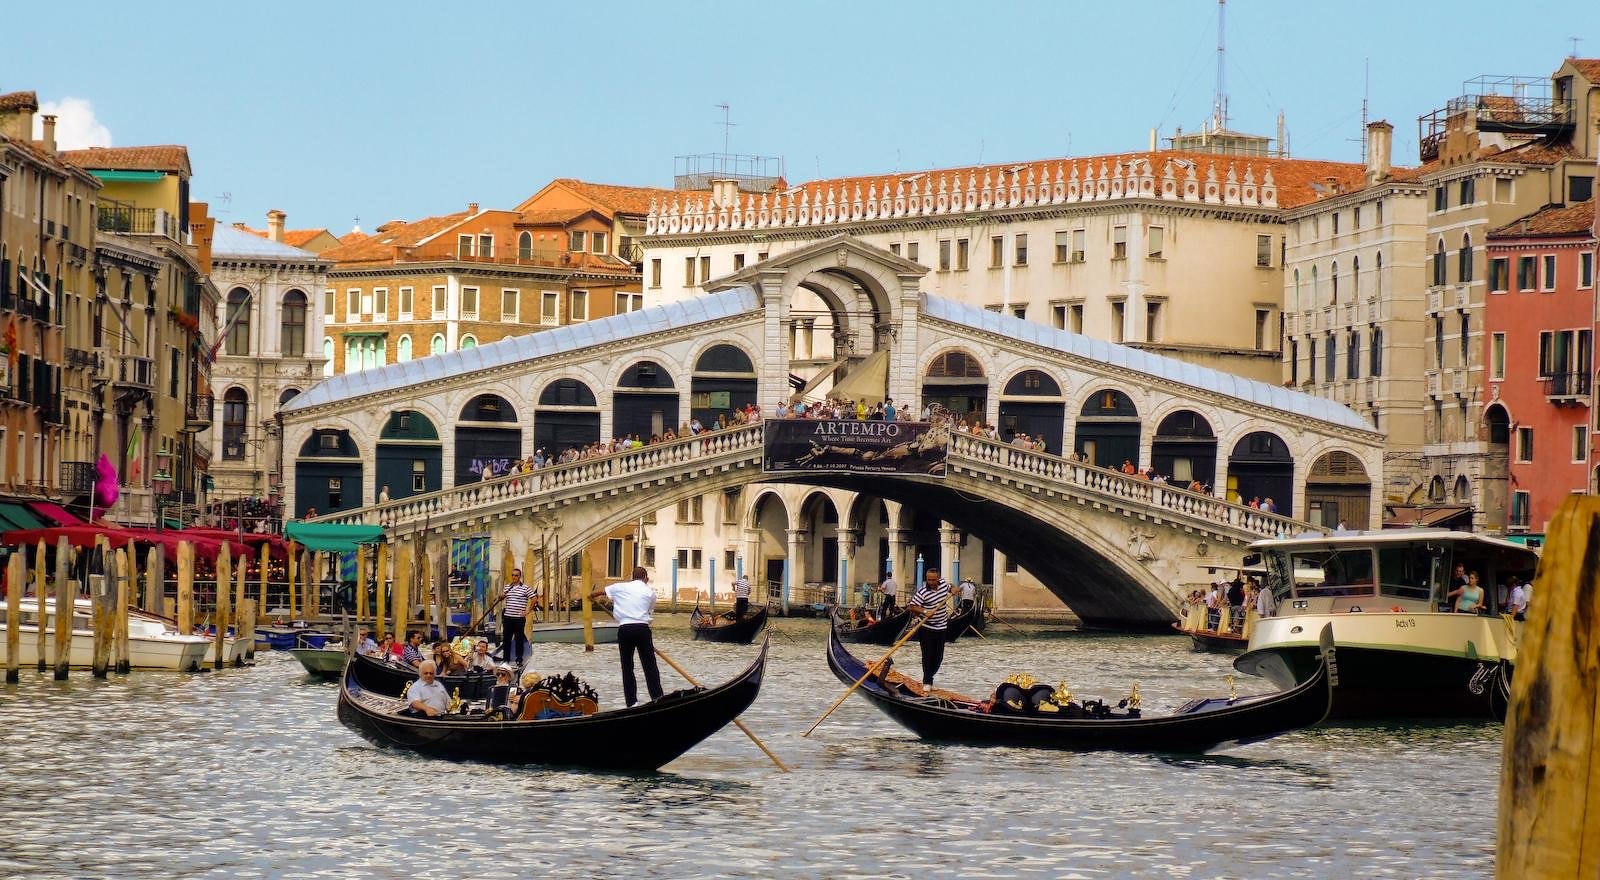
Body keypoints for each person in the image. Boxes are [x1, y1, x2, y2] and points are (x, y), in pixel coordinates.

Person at [589, 566, 664, 707]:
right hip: (642, 629)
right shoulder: (650, 593)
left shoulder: (619, 587)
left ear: (632, 578)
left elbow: (600, 592)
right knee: (650, 667)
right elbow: (648, 612)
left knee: (627, 667)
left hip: (625, 629)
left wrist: (591, 596)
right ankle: (658, 698)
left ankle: (631, 703)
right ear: (646, 579)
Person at [908, 568, 952, 688]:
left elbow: (950, 587)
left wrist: (954, 589)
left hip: (942, 627)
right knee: (927, 656)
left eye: (933, 580)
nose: (931, 582)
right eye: (929, 580)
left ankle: (929, 677)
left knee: (939, 657)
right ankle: (927, 682)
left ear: (938, 579)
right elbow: (912, 606)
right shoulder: (922, 592)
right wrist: (925, 611)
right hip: (927, 628)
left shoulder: (943, 584)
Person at [499, 568, 534, 666]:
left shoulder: (525, 588)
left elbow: (534, 598)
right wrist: (500, 596)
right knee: (506, 639)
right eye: (513, 575)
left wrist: (527, 611)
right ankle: (506, 659)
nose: (514, 577)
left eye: (516, 575)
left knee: (519, 639)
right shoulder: (507, 587)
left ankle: (519, 659)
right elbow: (501, 597)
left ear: (520, 576)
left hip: (518, 619)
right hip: (507, 617)